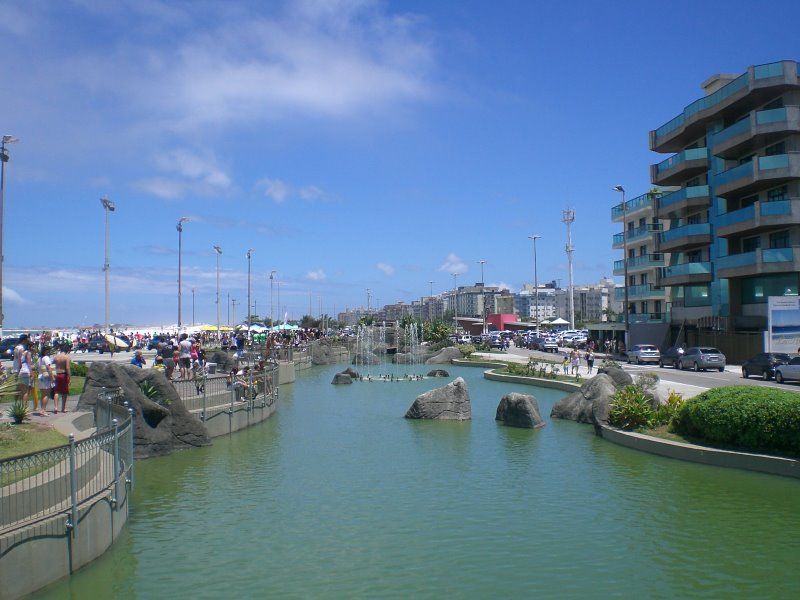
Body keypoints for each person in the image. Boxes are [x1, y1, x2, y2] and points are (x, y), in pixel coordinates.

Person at [14, 335, 34, 411]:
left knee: (18, 389)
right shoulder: (22, 349)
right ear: (24, 340)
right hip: (23, 370)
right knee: (25, 391)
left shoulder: (16, 347)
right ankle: (24, 409)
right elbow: (21, 361)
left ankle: (16, 406)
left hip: (16, 370)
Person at [37, 346, 56, 415]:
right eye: (48, 350)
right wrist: (53, 377)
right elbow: (49, 368)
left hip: (40, 376)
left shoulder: (39, 358)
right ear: (46, 351)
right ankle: (43, 410)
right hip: (46, 377)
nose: (49, 352)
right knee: (46, 395)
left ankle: (42, 409)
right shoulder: (46, 358)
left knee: (43, 395)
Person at [53, 346, 71, 413]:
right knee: (64, 392)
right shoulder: (66, 357)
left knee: (56, 391)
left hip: (56, 374)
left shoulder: (55, 357)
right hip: (63, 374)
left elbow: (52, 366)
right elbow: (67, 368)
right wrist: (69, 376)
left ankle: (56, 407)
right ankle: (63, 408)